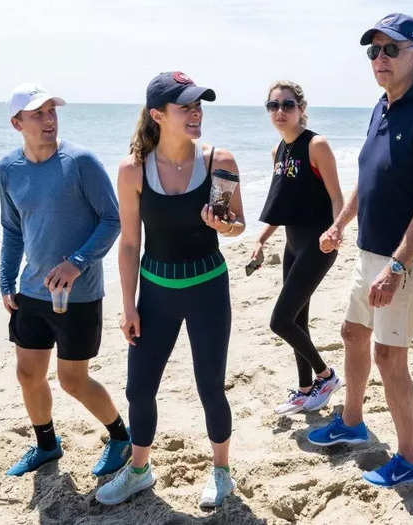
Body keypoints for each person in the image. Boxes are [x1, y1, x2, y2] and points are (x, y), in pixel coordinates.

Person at [307, 13, 413, 487]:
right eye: (373, 51)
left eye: (391, 49)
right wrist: (339, 223)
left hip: (404, 260)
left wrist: (396, 267)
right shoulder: (383, 105)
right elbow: (368, 178)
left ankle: (410, 459)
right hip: (369, 253)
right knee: (352, 331)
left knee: (390, 357)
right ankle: (352, 422)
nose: (380, 59)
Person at [95, 72, 245, 509]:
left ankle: (221, 472)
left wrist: (225, 225)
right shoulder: (133, 169)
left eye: (200, 104)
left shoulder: (220, 160)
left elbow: (237, 223)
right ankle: (139, 469)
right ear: (158, 115)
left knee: (210, 386)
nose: (197, 112)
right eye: (186, 106)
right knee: (139, 388)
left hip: (208, 289)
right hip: (156, 294)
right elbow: (128, 242)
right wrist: (127, 305)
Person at [0, 84, 130, 477]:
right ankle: (46, 444)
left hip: (79, 293)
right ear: (16, 123)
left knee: (73, 380)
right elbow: (12, 229)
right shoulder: (7, 168)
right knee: (28, 373)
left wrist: (77, 262)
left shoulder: (81, 162)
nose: (49, 119)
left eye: (52, 111)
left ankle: (121, 438)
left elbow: (112, 219)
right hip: (33, 290)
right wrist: (6, 279)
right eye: (37, 114)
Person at [253, 81, 345, 415]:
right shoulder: (278, 151)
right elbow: (283, 205)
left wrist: (337, 229)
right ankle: (306, 390)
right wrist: (261, 240)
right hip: (293, 244)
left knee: (280, 321)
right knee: (297, 320)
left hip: (319, 245)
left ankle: (326, 376)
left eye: (287, 105)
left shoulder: (316, 145)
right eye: (273, 105)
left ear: (301, 109)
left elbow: (337, 195)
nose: (280, 112)